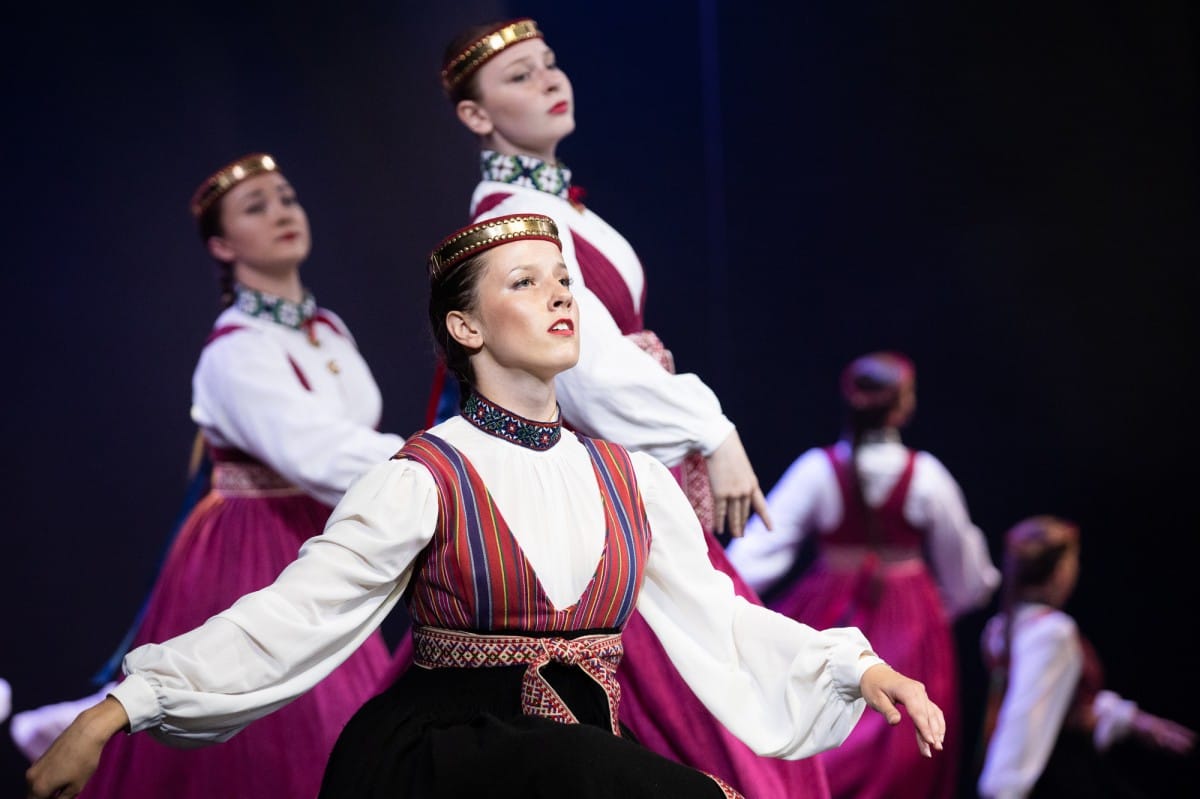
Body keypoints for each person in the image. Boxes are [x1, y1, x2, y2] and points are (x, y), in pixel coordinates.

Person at [27, 214, 947, 799]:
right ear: (465, 327)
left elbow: (725, 620)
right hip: (446, 762)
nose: (558, 293)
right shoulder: (425, 476)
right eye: (525, 282)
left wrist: (855, 667)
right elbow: (290, 616)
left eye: (563, 279)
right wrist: (115, 711)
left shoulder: (629, 478)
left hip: (575, 769)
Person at [418, 19, 829, 797]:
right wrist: (710, 427)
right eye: (519, 76)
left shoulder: (553, 206)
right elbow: (589, 373)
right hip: (585, 489)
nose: (549, 79)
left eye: (550, 63)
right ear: (475, 115)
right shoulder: (511, 219)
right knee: (689, 714)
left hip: (614, 473)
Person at [19, 154, 403, 799]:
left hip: (322, 526)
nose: (282, 212)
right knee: (282, 718)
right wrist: (437, 462)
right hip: (254, 549)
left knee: (341, 707)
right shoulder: (234, 352)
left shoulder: (328, 329)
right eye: (257, 207)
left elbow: (344, 439)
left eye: (286, 197)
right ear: (223, 246)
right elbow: (314, 451)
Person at [725, 351, 1001, 799]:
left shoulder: (817, 470)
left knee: (820, 727)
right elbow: (969, 579)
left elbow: (756, 554)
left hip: (831, 614)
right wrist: (936, 609)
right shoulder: (927, 476)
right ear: (903, 407)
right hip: (911, 625)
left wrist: (721, 595)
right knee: (905, 750)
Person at [977, 516, 1196, 798]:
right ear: (1060, 572)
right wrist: (1003, 790)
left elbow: (1066, 706)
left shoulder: (999, 630)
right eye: (1074, 560)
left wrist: (1131, 720)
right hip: (1061, 774)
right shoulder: (1051, 634)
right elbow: (1024, 722)